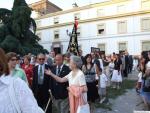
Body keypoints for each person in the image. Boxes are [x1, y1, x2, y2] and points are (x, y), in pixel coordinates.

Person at [0, 48, 44, 113]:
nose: (15, 61)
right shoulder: (22, 67)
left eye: (16, 60)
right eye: (13, 60)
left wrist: (29, 89)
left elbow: (26, 82)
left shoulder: (20, 73)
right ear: (7, 61)